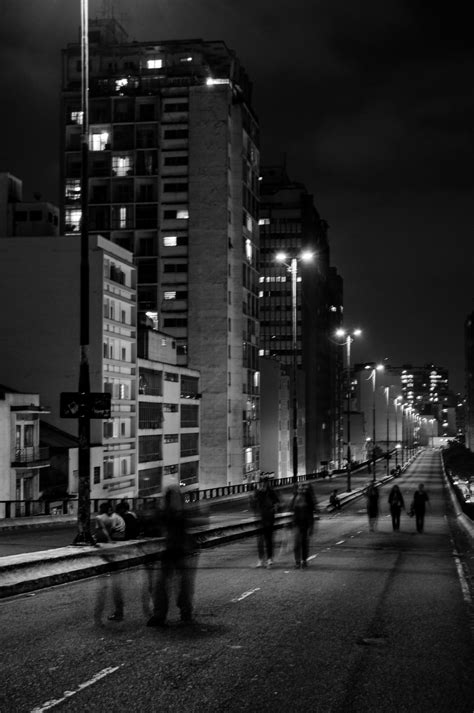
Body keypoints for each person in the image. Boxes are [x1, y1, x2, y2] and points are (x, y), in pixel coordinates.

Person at [147, 485, 203, 627]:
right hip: (170, 552)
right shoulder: (167, 514)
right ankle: (161, 614)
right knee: (161, 584)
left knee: (184, 584)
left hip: (181, 552)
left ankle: (184, 611)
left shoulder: (181, 514)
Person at [251, 476, 280, 567]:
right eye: (261, 483)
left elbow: (277, 503)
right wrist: (253, 498)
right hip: (260, 519)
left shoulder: (271, 492)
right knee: (260, 541)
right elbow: (253, 505)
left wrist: (274, 510)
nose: (263, 484)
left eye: (264, 482)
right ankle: (260, 559)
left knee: (269, 539)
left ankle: (269, 558)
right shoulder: (257, 492)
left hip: (269, 518)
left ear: (267, 483)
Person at [290, 483, 317, 568]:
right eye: (299, 489)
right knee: (296, 543)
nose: (300, 490)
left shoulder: (308, 500)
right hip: (297, 523)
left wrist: (311, 526)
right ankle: (297, 562)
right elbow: (291, 509)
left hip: (305, 523)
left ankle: (304, 560)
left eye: (302, 489)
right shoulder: (295, 499)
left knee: (304, 543)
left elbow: (311, 513)